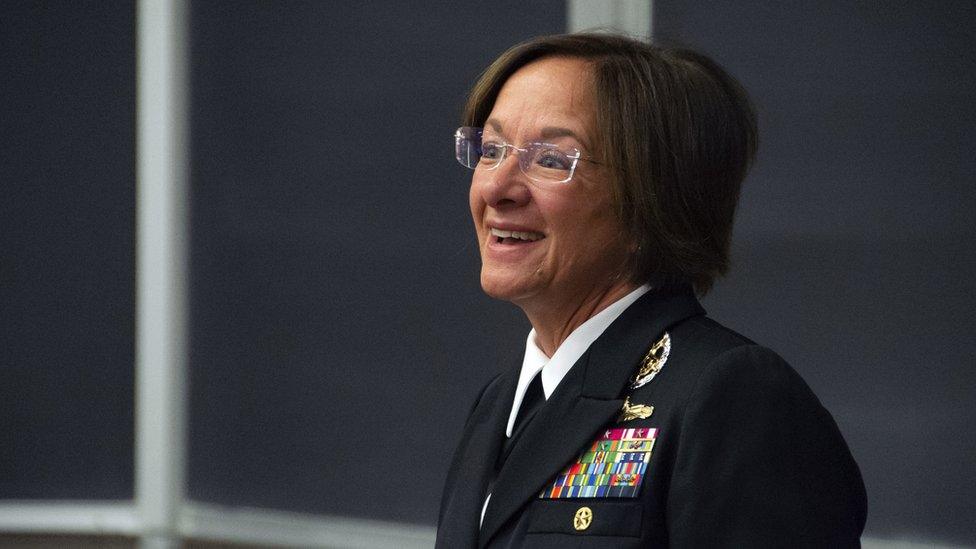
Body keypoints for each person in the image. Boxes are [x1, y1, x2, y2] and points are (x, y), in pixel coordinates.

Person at [437, 33, 866, 548]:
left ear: (652, 202)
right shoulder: (501, 402)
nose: (495, 189)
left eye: (551, 159)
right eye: (489, 150)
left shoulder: (732, 396)